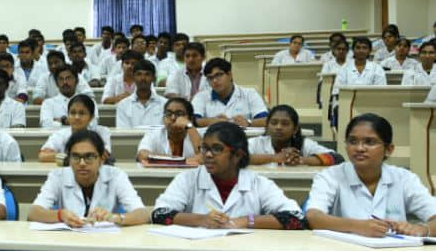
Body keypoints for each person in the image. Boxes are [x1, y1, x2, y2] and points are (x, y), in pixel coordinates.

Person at [150, 122, 306, 229]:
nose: (208, 155)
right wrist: (201, 220)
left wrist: (246, 221)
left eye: (217, 149)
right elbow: (159, 214)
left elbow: (295, 218)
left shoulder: (258, 183)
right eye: (205, 148)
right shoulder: (188, 179)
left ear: (237, 155)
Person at [305, 114, 435, 237]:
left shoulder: (404, 178)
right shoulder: (330, 176)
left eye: (370, 142)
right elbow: (313, 217)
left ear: (389, 149)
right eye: (352, 141)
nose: (360, 148)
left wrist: (423, 229)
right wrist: (358, 226)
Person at [28, 130, 149, 227]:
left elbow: (143, 214)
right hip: (68, 242)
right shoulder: (58, 176)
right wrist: (60, 215)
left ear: (101, 159)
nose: (82, 163)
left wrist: (114, 217)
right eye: (75, 157)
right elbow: (33, 213)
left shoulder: (116, 176)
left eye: (89, 157)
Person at [247, 105, 341, 166]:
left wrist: (301, 160)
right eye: (274, 123)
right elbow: (238, 158)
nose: (278, 127)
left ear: (295, 129)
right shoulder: (256, 143)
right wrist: (274, 158)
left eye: (285, 123)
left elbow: (337, 158)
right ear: (267, 126)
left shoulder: (305, 145)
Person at [192, 58, 268, 127]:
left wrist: (249, 122)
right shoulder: (201, 97)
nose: (214, 81)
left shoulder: (250, 93)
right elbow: (192, 121)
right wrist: (212, 121)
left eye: (218, 75)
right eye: (210, 78)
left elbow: (266, 120)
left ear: (230, 75)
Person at [39, 94, 112, 162]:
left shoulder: (102, 132)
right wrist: (70, 158)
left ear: (91, 117)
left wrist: (63, 156)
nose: (76, 117)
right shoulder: (60, 134)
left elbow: (104, 155)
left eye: (82, 113)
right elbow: (42, 155)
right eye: (73, 113)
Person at [136, 98, 202, 165]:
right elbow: (142, 155)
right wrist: (181, 161)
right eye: (169, 113)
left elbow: (203, 157)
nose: (173, 118)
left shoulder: (199, 133)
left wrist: (189, 126)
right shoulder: (154, 134)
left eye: (179, 114)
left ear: (190, 118)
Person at [115, 59, 167, 128]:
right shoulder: (123, 105)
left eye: (147, 74)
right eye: (139, 74)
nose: (143, 78)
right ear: (133, 77)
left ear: (154, 78)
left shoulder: (165, 104)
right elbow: (123, 133)